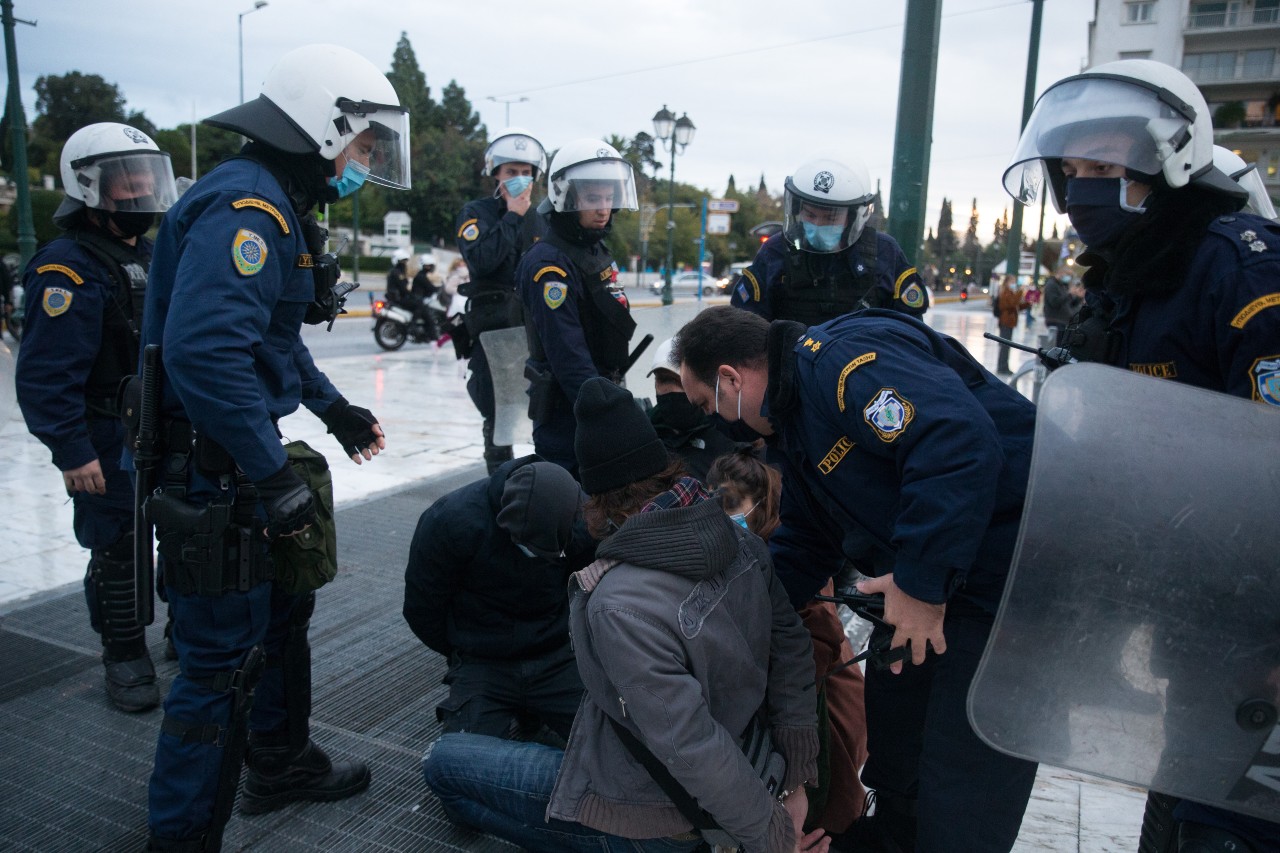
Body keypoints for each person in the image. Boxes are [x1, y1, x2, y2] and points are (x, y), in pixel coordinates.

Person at [137, 43, 412, 850]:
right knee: (219, 668)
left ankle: (280, 759)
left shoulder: (276, 201)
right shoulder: (249, 211)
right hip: (212, 471)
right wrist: (269, 472)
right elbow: (204, 353)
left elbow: (270, 340)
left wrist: (335, 411)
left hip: (230, 460)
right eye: (363, 146)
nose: (364, 163)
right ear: (322, 127)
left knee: (282, 614)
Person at [1002, 57, 1280, 853]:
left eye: (1107, 164)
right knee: (1179, 808)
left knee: (1235, 823)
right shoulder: (1132, 280)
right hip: (1196, 607)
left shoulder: (1238, 267)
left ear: (1170, 159)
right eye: (1074, 168)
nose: (1085, 184)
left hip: (1259, 625)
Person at [674, 305, 1040, 853]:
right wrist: (737, 613)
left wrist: (920, 584)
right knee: (898, 750)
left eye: (709, 404)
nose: (719, 421)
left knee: (962, 785)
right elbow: (806, 538)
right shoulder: (796, 425)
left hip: (1005, 585)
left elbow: (956, 443)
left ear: (730, 378)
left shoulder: (839, 366)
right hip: (939, 586)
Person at [423, 377, 826, 853]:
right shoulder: (742, 541)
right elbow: (793, 652)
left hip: (656, 821)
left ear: (593, 498)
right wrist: (794, 782)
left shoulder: (616, 602)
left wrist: (772, 840)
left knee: (442, 763)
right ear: (664, 469)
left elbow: (691, 746)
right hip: (755, 769)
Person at [15, 122, 178, 713]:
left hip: (160, 422)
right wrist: (72, 450)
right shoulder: (66, 267)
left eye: (145, 179)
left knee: (183, 531)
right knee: (119, 546)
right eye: (126, 182)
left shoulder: (153, 253)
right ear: (89, 188)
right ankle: (124, 653)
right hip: (107, 433)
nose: (139, 192)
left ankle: (181, 631)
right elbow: (44, 376)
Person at [706, 446, 869, 837]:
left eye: (730, 503)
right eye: (712, 500)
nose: (720, 514)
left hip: (823, 744)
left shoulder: (792, 577)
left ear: (764, 508)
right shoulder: (745, 563)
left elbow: (804, 665)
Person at [402, 457, 594, 746]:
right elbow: (422, 608)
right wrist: (463, 649)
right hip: (484, 660)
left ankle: (537, 710)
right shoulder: (450, 521)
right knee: (459, 761)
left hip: (556, 654)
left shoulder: (579, 516)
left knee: (615, 748)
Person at [517, 139, 639, 475]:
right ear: (567, 197)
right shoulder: (549, 265)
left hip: (600, 395)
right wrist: (604, 413)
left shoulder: (593, 247)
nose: (603, 208)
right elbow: (567, 352)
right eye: (592, 198)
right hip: (568, 412)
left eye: (608, 197)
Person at [729, 157, 928, 325]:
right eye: (810, 214)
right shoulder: (775, 252)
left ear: (851, 218)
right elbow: (745, 329)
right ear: (798, 209)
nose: (818, 223)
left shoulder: (884, 253)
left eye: (830, 218)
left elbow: (911, 333)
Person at [455, 127, 548, 473]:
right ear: (496, 173)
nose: (519, 180)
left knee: (541, 406)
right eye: (511, 172)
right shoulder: (476, 213)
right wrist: (511, 215)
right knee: (496, 414)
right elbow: (482, 261)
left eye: (526, 173)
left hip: (531, 327)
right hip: (492, 329)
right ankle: (500, 486)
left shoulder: (540, 217)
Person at [644, 336, 738, 482]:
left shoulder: (731, 436)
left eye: (680, 380)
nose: (672, 389)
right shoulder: (644, 434)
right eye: (663, 380)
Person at [994, 274, 1020, 374]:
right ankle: (1002, 367)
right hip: (1005, 321)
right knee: (1004, 345)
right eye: (1012, 282)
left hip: (1009, 322)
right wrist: (1020, 293)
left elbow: (1016, 305)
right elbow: (1010, 304)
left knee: (1006, 345)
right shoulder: (1004, 292)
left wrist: (1027, 303)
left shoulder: (1010, 292)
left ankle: (1004, 366)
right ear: (1007, 283)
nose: (1014, 284)